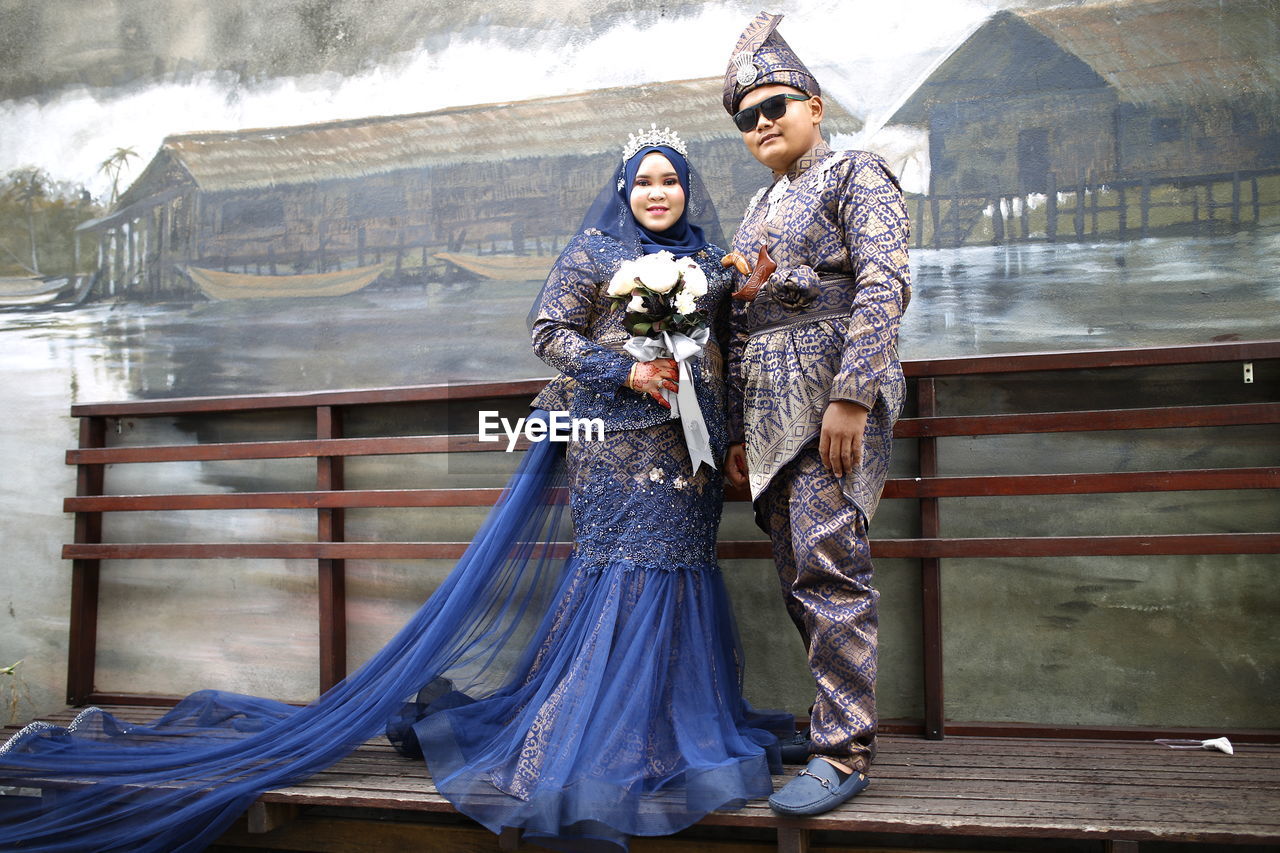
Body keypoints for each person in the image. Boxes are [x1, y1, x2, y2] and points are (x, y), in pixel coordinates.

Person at [0, 129, 787, 853]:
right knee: (624, 572)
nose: (657, 193)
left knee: (683, 570)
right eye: (643, 181)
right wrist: (630, 368)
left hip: (690, 458)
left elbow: (725, 346)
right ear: (623, 190)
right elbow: (549, 335)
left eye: (669, 181)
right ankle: (594, 734)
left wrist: (738, 395)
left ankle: (663, 722)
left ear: (688, 189)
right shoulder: (594, 252)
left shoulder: (707, 262)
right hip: (612, 450)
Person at [718, 12, 912, 817]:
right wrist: (733, 430)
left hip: (832, 406)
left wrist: (851, 395)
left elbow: (883, 283)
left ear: (814, 105)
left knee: (832, 568)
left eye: (775, 107)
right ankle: (836, 716)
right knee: (798, 575)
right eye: (747, 117)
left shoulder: (857, 174)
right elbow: (734, 327)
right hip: (768, 419)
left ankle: (845, 750)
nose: (762, 123)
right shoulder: (754, 212)